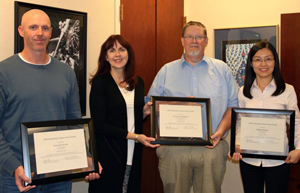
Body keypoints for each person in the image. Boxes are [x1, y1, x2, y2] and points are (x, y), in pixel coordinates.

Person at [0, 9, 100, 193]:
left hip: (58, 175)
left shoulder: (66, 73)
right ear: (21, 31)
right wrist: (13, 166)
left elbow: (74, 122)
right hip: (16, 176)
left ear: (51, 33)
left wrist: (84, 156)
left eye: (45, 28)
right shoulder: (4, 72)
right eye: (33, 27)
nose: (40, 33)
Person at [146, 21, 238, 193]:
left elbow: (233, 106)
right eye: (190, 37)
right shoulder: (166, 71)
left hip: (212, 147)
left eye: (199, 37)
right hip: (174, 151)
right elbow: (150, 106)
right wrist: (176, 105)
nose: (194, 41)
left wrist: (219, 133)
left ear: (206, 40)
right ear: (182, 40)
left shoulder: (222, 70)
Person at [89, 35, 159, 193]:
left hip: (133, 153)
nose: (117, 54)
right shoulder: (100, 83)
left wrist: (144, 113)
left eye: (122, 49)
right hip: (108, 154)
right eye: (112, 50)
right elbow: (99, 124)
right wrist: (136, 137)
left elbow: (127, 118)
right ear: (106, 57)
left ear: (129, 54)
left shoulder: (138, 82)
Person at [230, 41, 300, 193]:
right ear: (251, 63)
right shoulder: (243, 91)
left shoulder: (287, 90)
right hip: (249, 159)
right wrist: (236, 144)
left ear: (275, 62)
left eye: (268, 59)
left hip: (278, 160)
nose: (263, 63)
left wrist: (299, 148)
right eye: (257, 59)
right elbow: (240, 122)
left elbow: (296, 122)